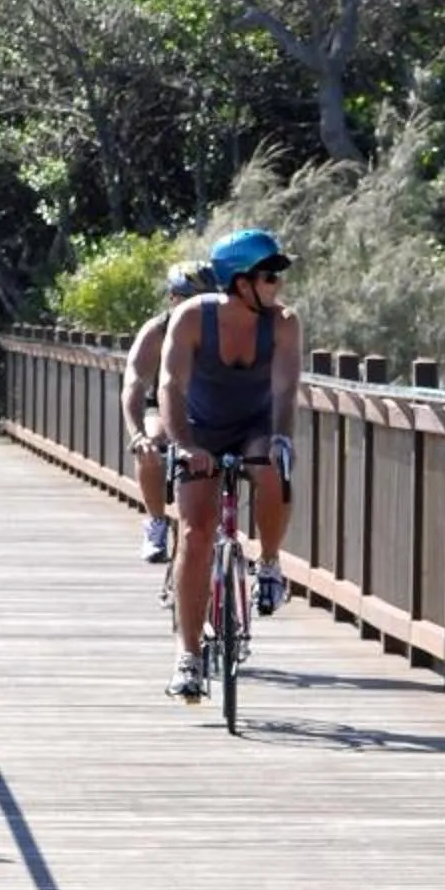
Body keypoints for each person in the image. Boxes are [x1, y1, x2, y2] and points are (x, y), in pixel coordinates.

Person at [157, 229, 301, 702]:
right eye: (268, 276)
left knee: (272, 468)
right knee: (197, 535)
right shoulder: (193, 318)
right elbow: (170, 386)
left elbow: (283, 391)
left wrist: (281, 438)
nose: (277, 285)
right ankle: (189, 656)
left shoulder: (283, 324)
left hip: (254, 424)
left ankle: (271, 563)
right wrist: (182, 444)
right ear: (240, 282)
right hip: (200, 428)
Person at [122, 263, 203, 564]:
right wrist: (137, 434)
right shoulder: (158, 330)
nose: (196, 306)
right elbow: (133, 383)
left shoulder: (222, 328)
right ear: (172, 298)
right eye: (188, 297)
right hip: (164, 403)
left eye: (204, 298)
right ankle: (156, 522)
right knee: (153, 443)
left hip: (210, 407)